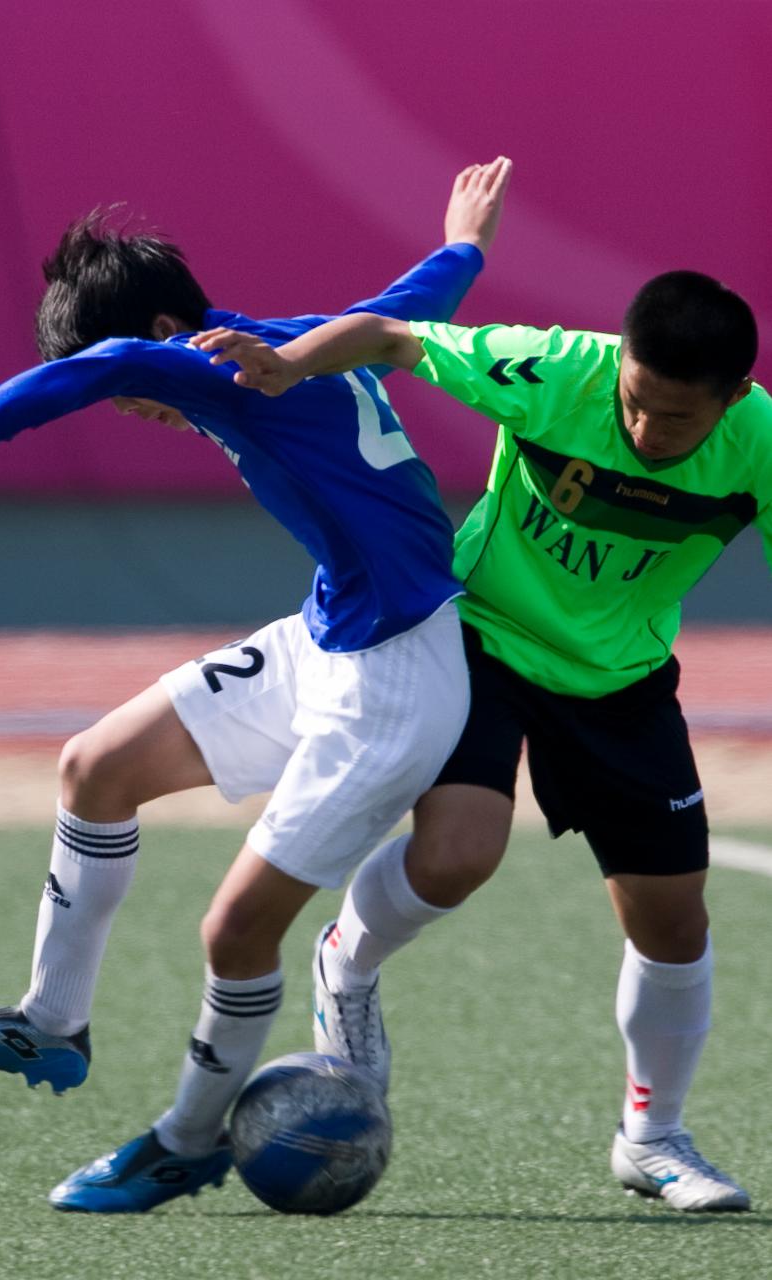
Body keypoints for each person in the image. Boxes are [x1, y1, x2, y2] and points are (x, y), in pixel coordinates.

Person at [0, 160, 513, 1212]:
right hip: (325, 634)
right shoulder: (302, 333)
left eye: (139, 377)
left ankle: (187, 1139)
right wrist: (464, 240)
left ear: (164, 330)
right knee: (94, 767)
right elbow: (420, 298)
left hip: (393, 681)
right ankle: (49, 1023)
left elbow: (100, 366)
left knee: (234, 930)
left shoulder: (210, 363)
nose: (140, 405)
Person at [195, 260, 772, 1213]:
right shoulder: (549, 370)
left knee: (673, 923)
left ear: (734, 398)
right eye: (634, 403)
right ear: (618, 363)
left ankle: (652, 1137)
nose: (643, 432)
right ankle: (348, 961)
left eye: (675, 420)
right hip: (481, 644)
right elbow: (388, 336)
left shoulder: (758, 443)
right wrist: (287, 363)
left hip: (618, 681)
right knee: (459, 855)